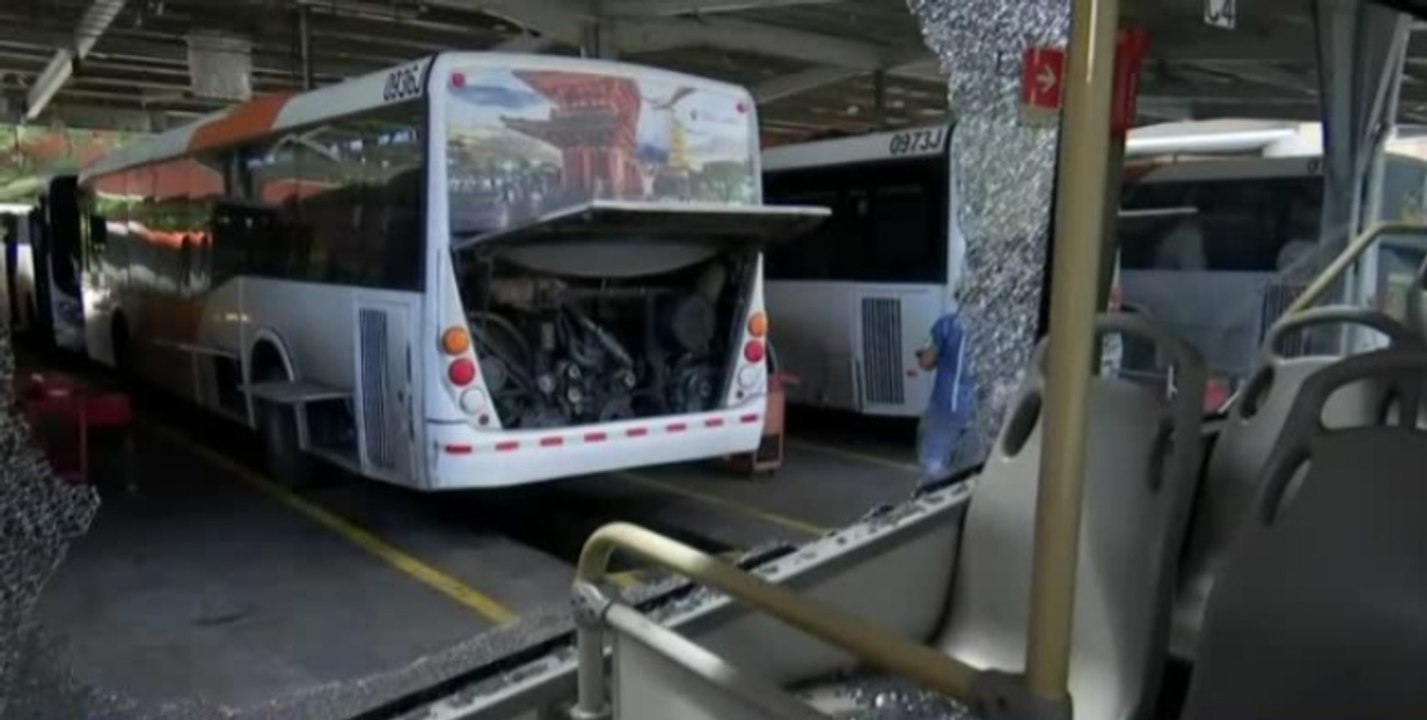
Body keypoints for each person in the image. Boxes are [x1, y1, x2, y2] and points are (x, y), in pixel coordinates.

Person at [915, 300, 977, 488]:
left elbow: (926, 362)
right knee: (970, 468)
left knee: (934, 464)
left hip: (946, 408)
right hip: (975, 410)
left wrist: (923, 354)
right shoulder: (992, 326)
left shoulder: (946, 324)